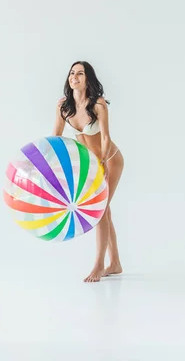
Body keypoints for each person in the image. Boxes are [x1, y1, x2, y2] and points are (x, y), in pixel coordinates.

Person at [51, 61, 124, 283]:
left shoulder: (98, 104)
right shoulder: (64, 106)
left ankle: (99, 265)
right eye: (72, 73)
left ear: (87, 79)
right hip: (91, 164)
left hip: (109, 160)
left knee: (100, 211)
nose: (75, 76)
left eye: (80, 73)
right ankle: (116, 263)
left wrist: (102, 162)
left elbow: (104, 137)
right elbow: (57, 137)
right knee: (105, 211)